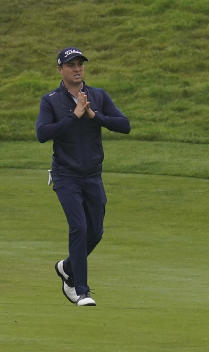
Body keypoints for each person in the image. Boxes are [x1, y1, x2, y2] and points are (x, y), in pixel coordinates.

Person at [36, 47, 131, 307]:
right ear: (60, 70)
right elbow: (42, 133)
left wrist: (93, 116)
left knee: (96, 231)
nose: (77, 69)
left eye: (80, 64)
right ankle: (81, 290)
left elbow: (125, 125)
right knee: (79, 227)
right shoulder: (52, 100)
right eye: (71, 65)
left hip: (92, 175)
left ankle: (66, 266)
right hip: (65, 175)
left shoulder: (97, 96)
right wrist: (73, 116)